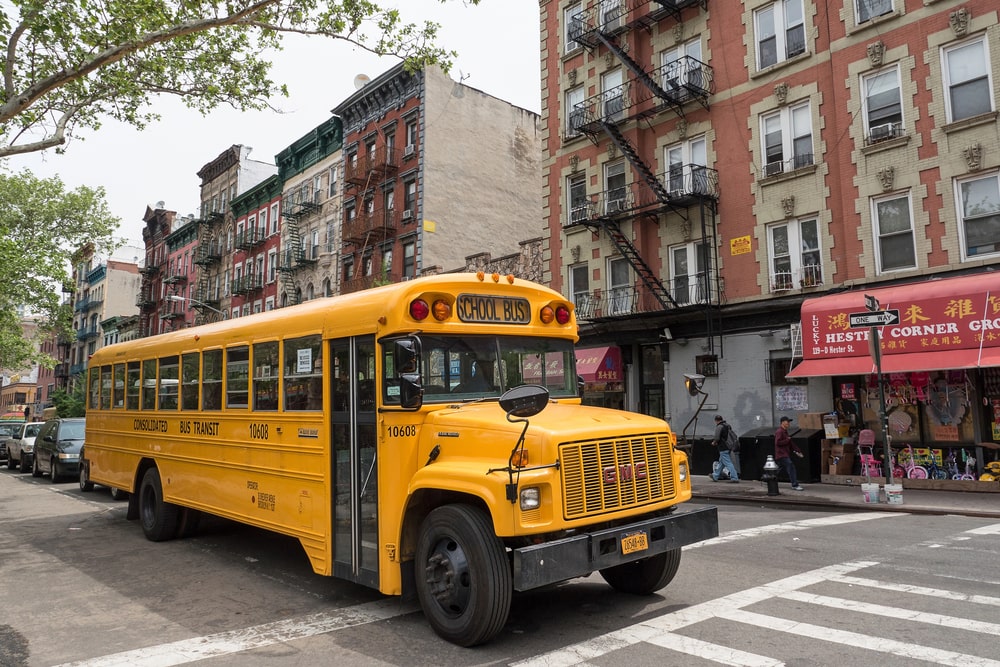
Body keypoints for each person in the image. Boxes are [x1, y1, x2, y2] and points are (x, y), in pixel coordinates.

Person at [775, 416, 805, 490]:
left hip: (783, 454)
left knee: (777, 469)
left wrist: (797, 450)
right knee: (791, 467)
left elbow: (790, 443)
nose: (789, 423)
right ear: (782, 422)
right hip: (782, 454)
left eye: (789, 422)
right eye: (787, 421)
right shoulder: (780, 431)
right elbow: (777, 443)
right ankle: (795, 485)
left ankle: (768, 479)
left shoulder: (785, 431)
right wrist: (787, 440)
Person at [710, 415, 740, 482]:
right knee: (721, 462)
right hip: (729, 446)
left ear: (716, 420)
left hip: (723, 447)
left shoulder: (719, 427)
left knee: (728, 463)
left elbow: (717, 437)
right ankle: (715, 475)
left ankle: (734, 477)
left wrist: (714, 442)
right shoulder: (727, 425)